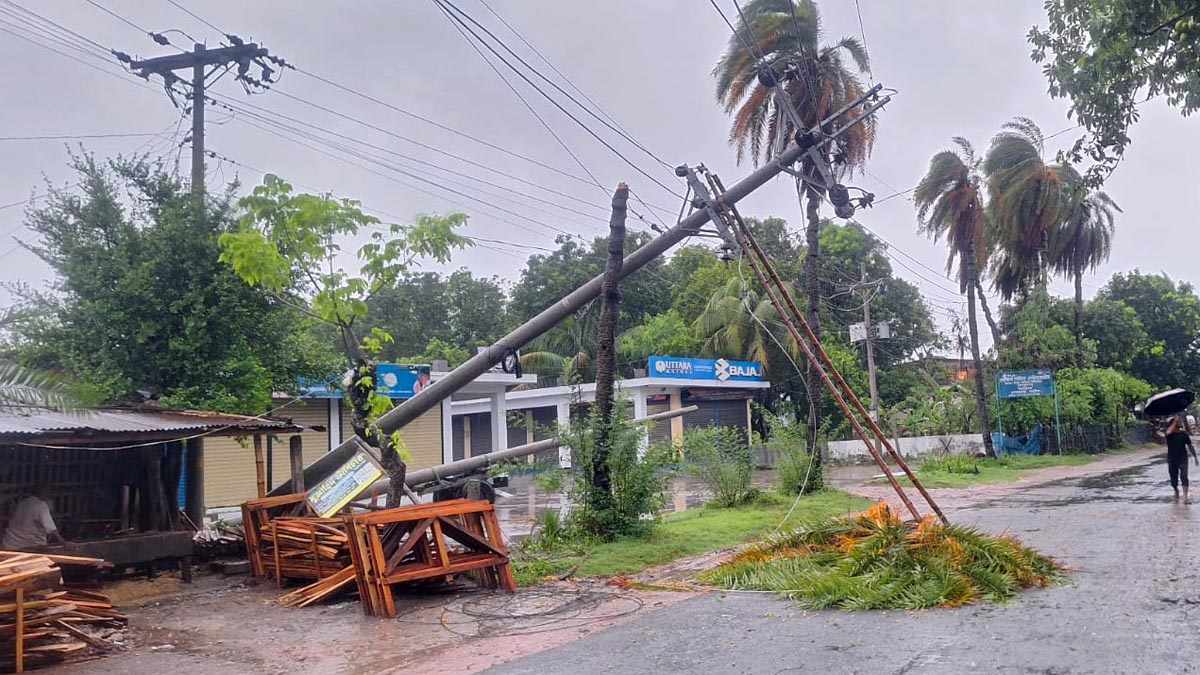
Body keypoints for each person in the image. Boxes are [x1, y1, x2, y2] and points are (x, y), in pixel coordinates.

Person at [2, 484, 64, 550]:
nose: (50, 494)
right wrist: (63, 542)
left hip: (9, 544)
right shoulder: (41, 505)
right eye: (50, 492)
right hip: (30, 545)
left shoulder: (22, 503)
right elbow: (51, 528)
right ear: (44, 492)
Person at [1165, 414, 1198, 502]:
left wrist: (1195, 457)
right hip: (1172, 459)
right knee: (1173, 478)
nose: (1179, 422)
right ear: (1173, 424)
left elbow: (1190, 446)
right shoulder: (1169, 435)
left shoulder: (1183, 434)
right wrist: (1174, 420)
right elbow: (1168, 432)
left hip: (1183, 458)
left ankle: (1185, 497)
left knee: (1184, 476)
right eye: (1177, 422)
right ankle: (1176, 490)